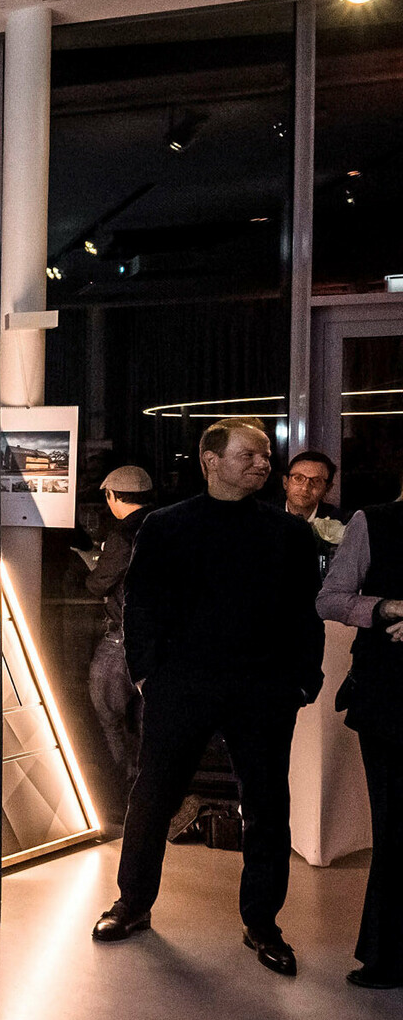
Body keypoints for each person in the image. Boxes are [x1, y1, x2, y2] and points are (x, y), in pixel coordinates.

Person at [93, 418, 322, 976]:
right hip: (183, 684)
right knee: (153, 797)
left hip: (264, 688)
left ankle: (263, 922)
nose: (263, 464)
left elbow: (303, 614)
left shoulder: (289, 532)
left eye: (266, 455)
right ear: (210, 461)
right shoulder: (168, 525)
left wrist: (302, 680)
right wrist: (148, 674)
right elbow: (140, 604)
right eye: (250, 455)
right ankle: (133, 904)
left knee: (268, 807)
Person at [314, 500, 403, 988]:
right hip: (390, 698)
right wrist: (386, 607)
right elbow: (329, 599)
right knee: (393, 828)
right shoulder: (376, 522)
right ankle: (387, 954)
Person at [83, 465, 154, 793]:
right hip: (158, 640)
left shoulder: (123, 534)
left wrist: (92, 570)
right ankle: (148, 785)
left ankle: (125, 786)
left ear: (112, 496)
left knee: (108, 712)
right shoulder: (163, 524)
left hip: (122, 639)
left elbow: (99, 584)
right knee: (145, 719)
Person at [272, 449, 345, 573]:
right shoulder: (266, 515)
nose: (305, 488)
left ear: (328, 488)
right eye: (298, 478)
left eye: (316, 481)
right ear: (285, 482)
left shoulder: (339, 521)